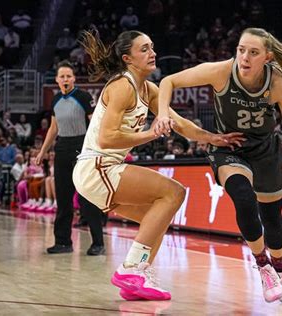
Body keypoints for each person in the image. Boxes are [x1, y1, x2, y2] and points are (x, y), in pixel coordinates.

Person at [158, 27, 282, 304]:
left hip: (265, 150)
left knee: (273, 218)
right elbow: (167, 82)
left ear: (267, 56)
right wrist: (163, 113)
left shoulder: (279, 85)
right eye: (241, 50)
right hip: (229, 147)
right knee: (243, 197)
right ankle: (262, 264)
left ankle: (281, 270)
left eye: (253, 52)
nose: (245, 57)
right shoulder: (220, 72)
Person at [73, 30, 244, 301]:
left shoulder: (149, 90)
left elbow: (179, 123)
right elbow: (106, 139)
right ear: (127, 58)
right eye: (144, 49)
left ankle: (138, 276)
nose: (152, 52)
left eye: (152, 46)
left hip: (102, 170)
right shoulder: (122, 86)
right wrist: (150, 134)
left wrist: (214, 138)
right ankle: (131, 267)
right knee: (174, 192)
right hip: (97, 166)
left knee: (155, 219)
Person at [36, 60, 106, 256]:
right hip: (62, 149)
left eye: (69, 76)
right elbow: (53, 128)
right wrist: (43, 151)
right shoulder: (56, 99)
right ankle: (63, 242)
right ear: (57, 80)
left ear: (74, 78)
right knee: (63, 198)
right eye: (62, 76)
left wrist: (97, 147)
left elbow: (95, 124)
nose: (65, 79)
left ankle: (98, 243)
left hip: (82, 147)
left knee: (86, 197)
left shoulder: (83, 97)